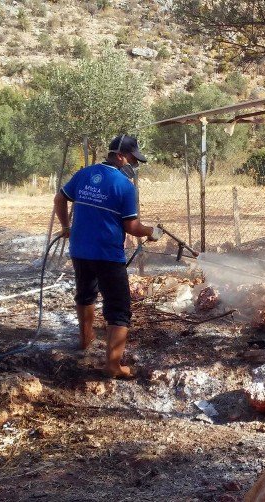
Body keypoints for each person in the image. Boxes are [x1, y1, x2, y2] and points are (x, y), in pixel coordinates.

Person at [53, 134, 162, 379]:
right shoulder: (124, 186)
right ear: (121, 156)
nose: (133, 165)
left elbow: (60, 198)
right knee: (119, 308)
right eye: (133, 159)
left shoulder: (84, 174)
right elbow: (132, 227)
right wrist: (151, 232)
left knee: (85, 293)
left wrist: (65, 227)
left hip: (80, 250)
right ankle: (113, 365)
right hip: (108, 255)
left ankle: (85, 339)